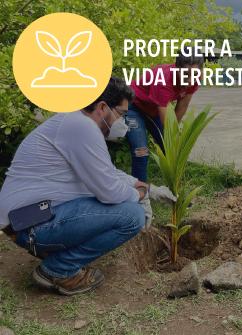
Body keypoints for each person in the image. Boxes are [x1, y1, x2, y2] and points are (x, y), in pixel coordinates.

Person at [0, 77, 175, 296]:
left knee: (126, 205)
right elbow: (109, 192)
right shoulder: (82, 127)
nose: (123, 122)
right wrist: (140, 195)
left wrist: (144, 186)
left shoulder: (75, 123)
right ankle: (58, 269)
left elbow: (107, 173)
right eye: (121, 113)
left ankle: (54, 255)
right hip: (30, 224)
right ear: (103, 107)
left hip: (27, 220)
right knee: (132, 215)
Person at [127, 48, 204, 182]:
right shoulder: (163, 79)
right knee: (141, 151)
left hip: (154, 110)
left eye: (195, 74)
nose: (191, 80)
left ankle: (174, 190)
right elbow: (168, 127)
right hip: (134, 107)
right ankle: (139, 195)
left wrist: (174, 139)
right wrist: (172, 134)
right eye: (186, 74)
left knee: (173, 149)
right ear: (176, 68)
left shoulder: (194, 79)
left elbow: (182, 106)